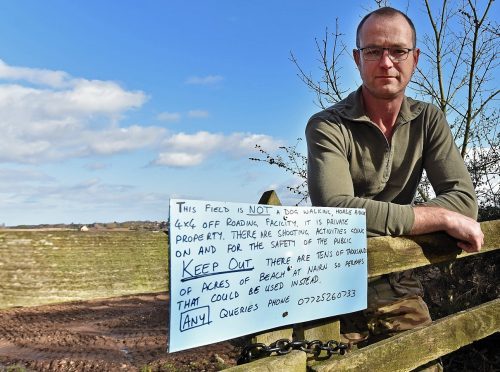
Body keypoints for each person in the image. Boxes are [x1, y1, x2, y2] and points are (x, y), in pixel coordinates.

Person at [305, 6, 484, 370]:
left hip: (397, 273)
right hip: (333, 277)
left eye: (398, 51)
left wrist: (443, 216)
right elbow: (336, 210)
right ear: (357, 59)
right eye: (373, 51)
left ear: (415, 59)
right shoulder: (328, 126)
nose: (386, 62)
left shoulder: (428, 119)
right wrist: (437, 216)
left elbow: (464, 202)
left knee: (423, 362)